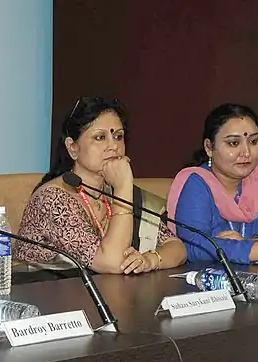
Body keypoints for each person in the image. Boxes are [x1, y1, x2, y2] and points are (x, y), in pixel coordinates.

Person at [14, 96, 187, 276]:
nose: (113, 146)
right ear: (73, 148)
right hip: (47, 296)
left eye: (118, 136)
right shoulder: (53, 200)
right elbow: (113, 263)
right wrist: (123, 188)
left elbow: (177, 248)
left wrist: (149, 260)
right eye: (100, 137)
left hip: (102, 296)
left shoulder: (112, 192)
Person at [167, 103, 258, 263]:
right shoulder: (196, 183)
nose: (246, 153)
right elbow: (193, 248)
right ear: (209, 148)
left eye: (253, 141)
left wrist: (254, 242)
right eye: (233, 143)